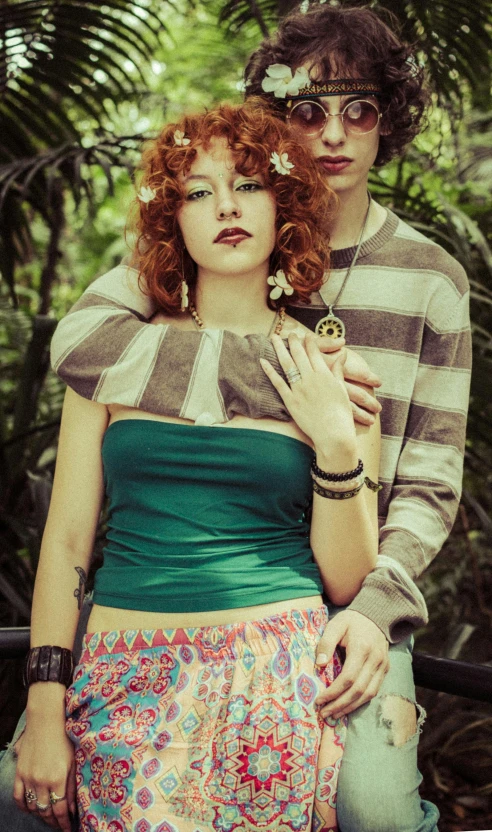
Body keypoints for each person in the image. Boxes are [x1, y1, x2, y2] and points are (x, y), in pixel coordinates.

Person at [2, 4, 471, 832]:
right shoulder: (187, 255)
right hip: (145, 627)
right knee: (20, 794)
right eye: (307, 110)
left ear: (387, 119)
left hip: (348, 598)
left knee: (373, 809)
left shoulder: (430, 279)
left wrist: (371, 606)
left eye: (358, 108)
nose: (334, 133)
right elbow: (79, 343)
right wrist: (293, 376)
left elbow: (430, 483)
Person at [12, 100, 381, 832]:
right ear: (171, 220)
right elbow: (64, 545)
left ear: (286, 208)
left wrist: (337, 444)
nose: (227, 209)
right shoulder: (115, 359)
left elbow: (346, 576)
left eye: (248, 184)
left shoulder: (330, 370)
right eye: (199, 193)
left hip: (277, 674)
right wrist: (44, 708)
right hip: (124, 670)